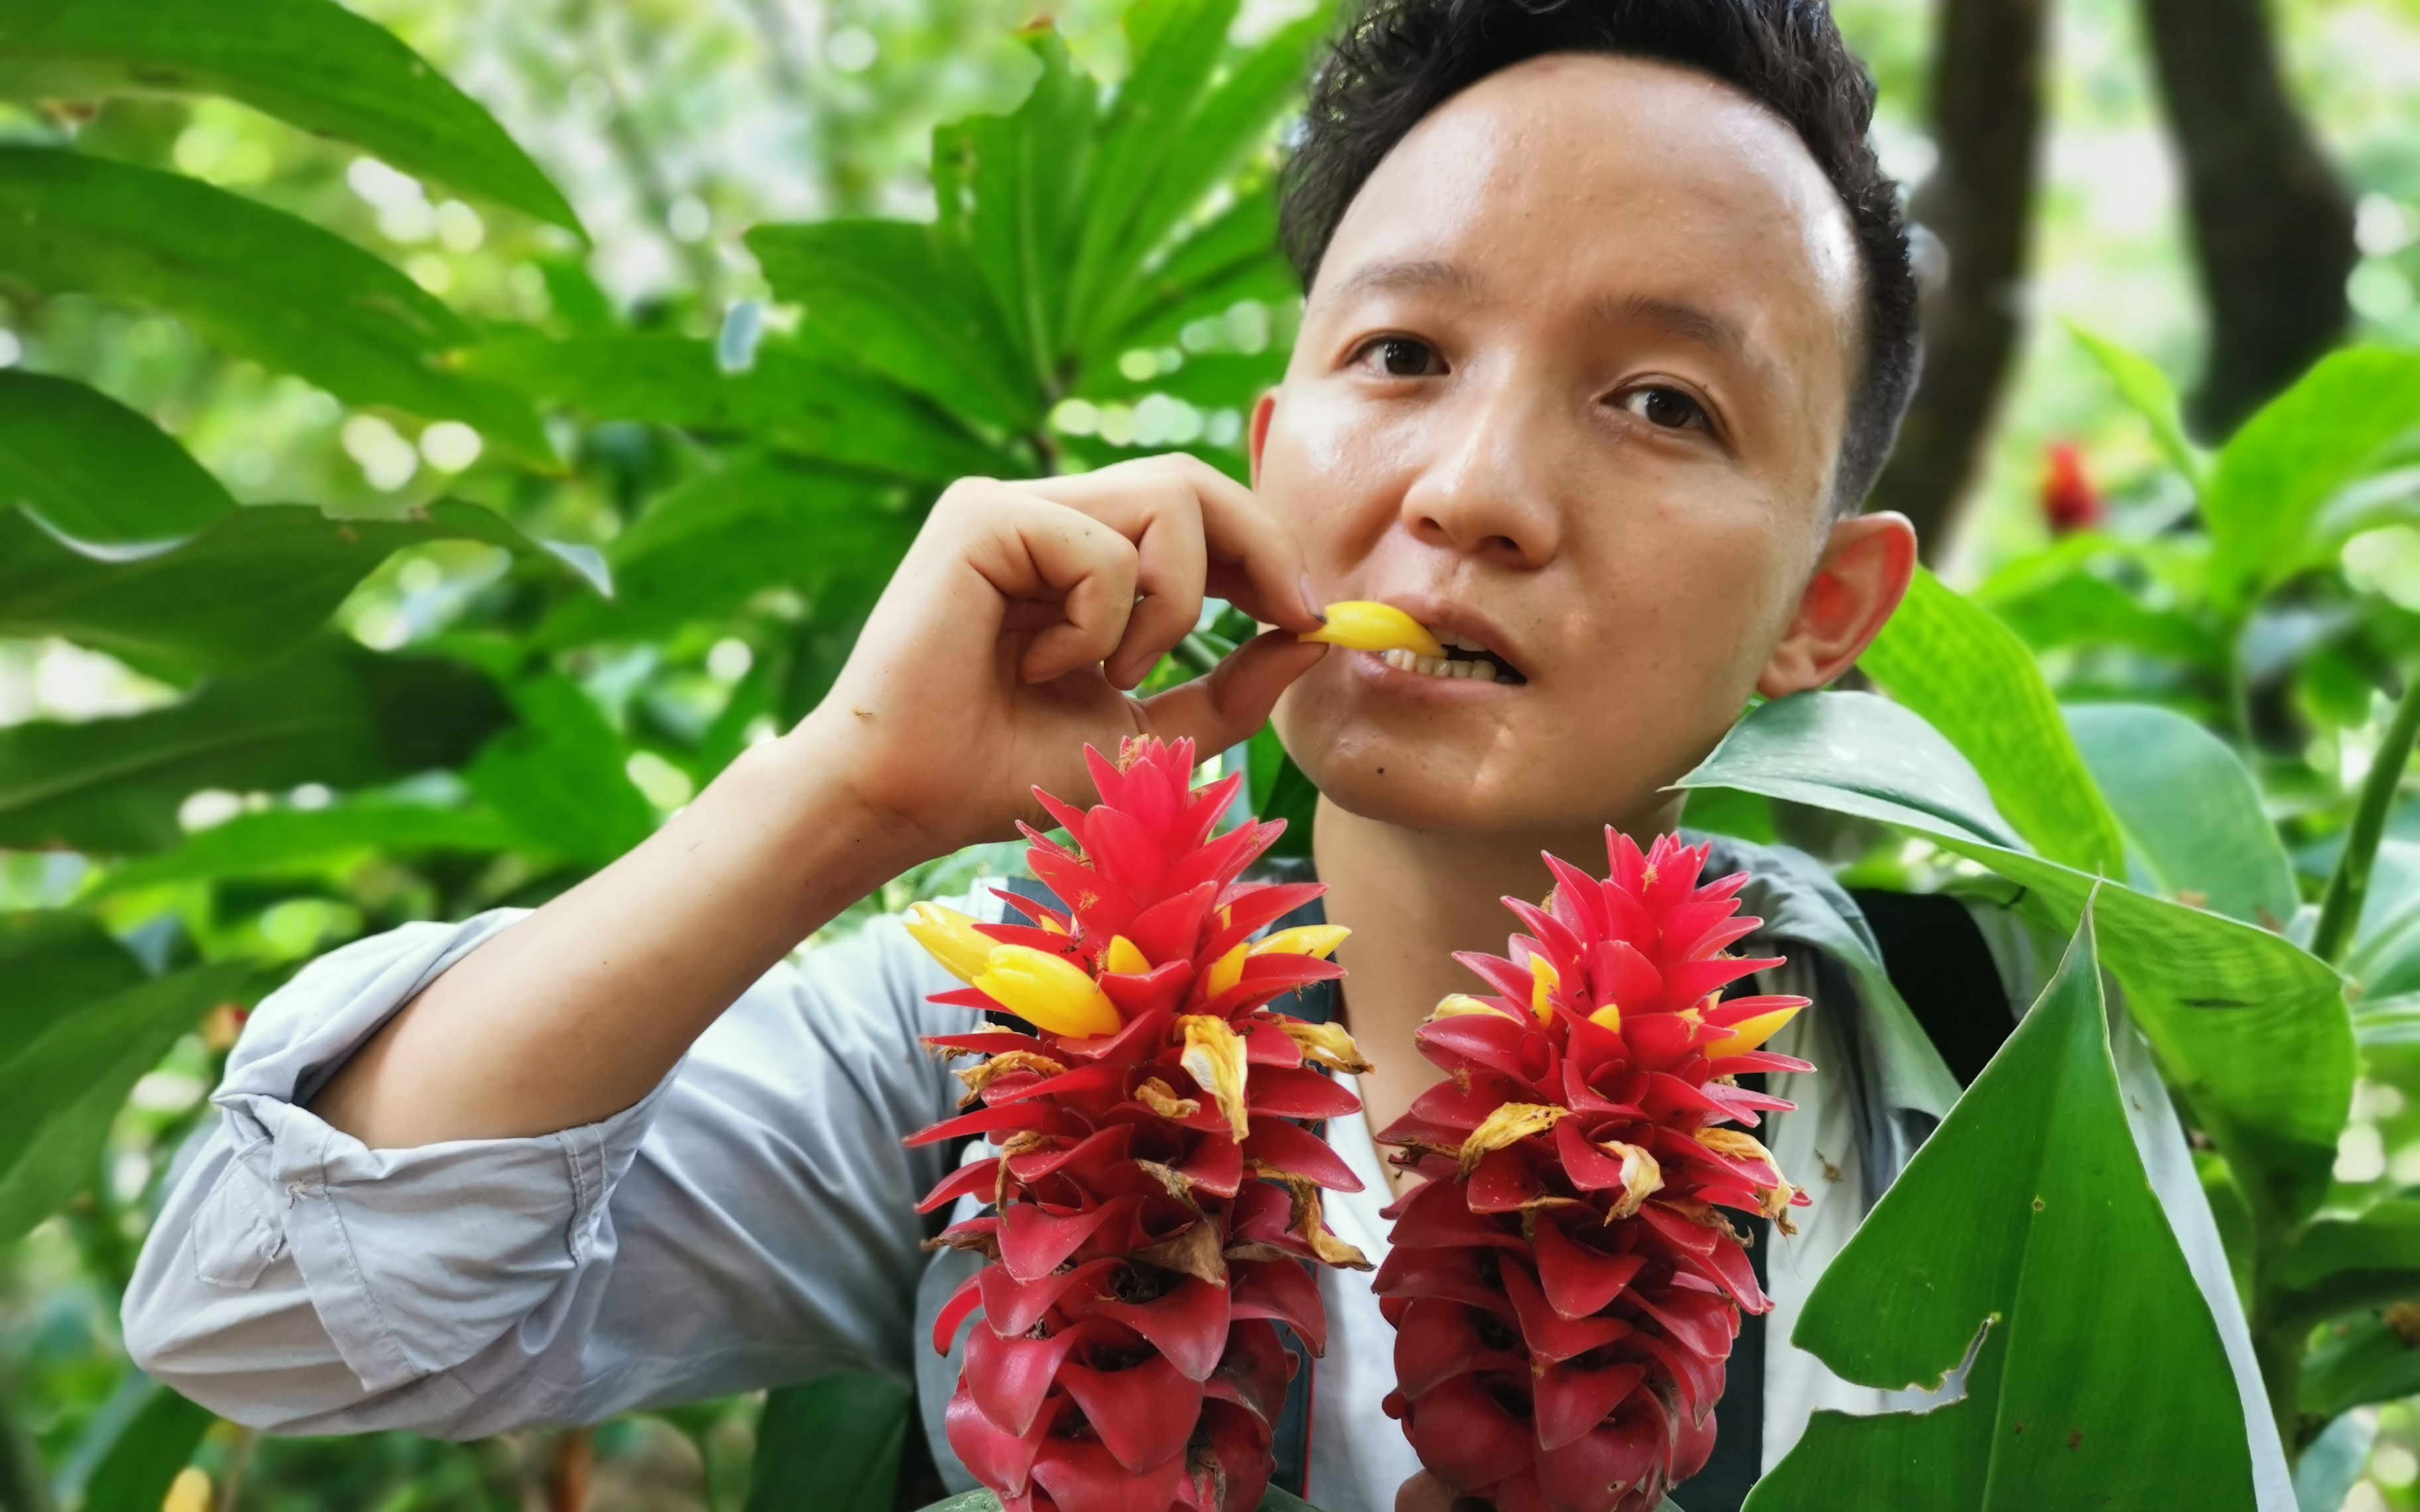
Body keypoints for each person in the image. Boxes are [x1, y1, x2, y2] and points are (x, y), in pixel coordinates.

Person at [121, 1, 2293, 1507]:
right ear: (1272, 455)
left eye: (1664, 405)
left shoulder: (1982, 1079)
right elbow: (270, 1309)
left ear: (1831, 607)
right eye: (1403, 354)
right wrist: (850, 800)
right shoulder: (986, 1032)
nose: (1473, 489)